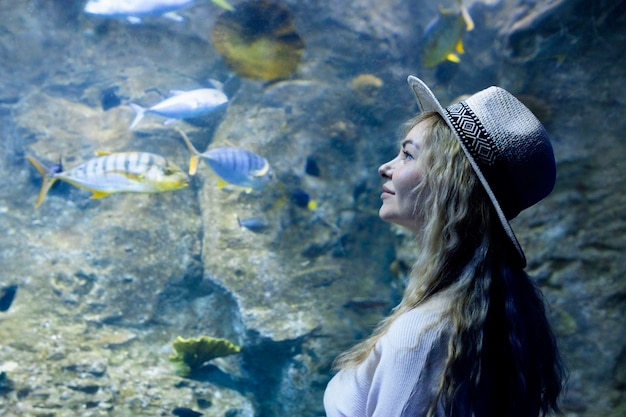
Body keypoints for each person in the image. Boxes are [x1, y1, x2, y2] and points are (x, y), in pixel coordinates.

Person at [324, 76, 566, 417]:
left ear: (451, 183)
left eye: (408, 155)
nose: (386, 168)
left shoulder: (422, 337)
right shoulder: (482, 313)